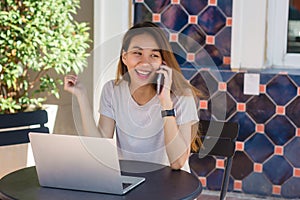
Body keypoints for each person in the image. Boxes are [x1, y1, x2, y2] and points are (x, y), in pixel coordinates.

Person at [64, 21, 202, 172]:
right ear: (124, 57)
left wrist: (166, 104)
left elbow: (178, 162)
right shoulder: (112, 90)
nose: (145, 62)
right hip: (130, 184)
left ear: (162, 63)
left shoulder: (182, 96)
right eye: (137, 53)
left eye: (154, 55)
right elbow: (100, 149)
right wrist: (82, 97)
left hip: (172, 187)